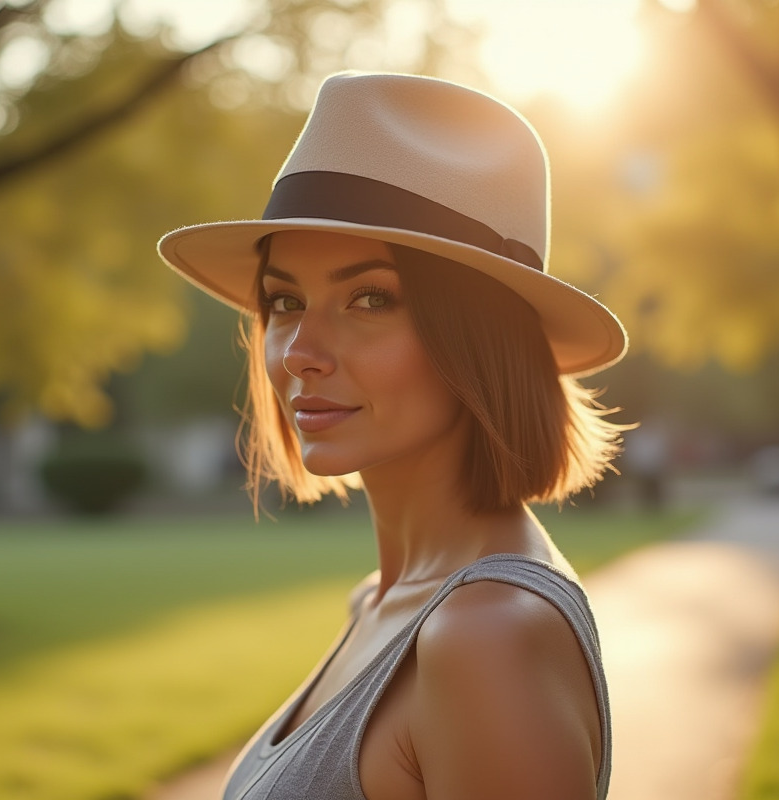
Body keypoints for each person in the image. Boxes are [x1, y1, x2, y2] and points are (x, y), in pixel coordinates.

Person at [158, 72, 627, 800]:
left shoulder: (485, 638)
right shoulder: (380, 602)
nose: (301, 351)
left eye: (369, 298)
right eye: (284, 301)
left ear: (476, 337)